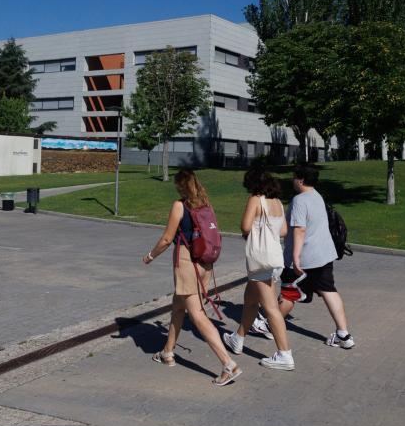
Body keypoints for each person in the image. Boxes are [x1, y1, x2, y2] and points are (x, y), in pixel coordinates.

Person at [143, 169, 241, 386]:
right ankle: (167, 352)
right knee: (178, 307)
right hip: (205, 264)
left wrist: (150, 256)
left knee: (197, 315)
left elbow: (167, 238)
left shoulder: (180, 206)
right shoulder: (205, 204)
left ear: (180, 186)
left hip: (187, 265)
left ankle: (228, 364)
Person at [222, 169, 295, 370]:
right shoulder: (278, 202)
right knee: (250, 300)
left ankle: (284, 354)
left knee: (271, 308)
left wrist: (255, 226)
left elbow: (245, 226)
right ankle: (238, 337)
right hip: (274, 258)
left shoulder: (256, 199)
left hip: (260, 260)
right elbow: (283, 231)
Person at [279, 164, 356, 349]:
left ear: (301, 180)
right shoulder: (317, 196)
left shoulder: (299, 200)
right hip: (323, 254)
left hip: (305, 258)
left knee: (288, 292)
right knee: (329, 290)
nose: (292, 180)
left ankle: (267, 322)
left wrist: (295, 258)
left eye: (294, 177)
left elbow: (300, 229)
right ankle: (343, 335)